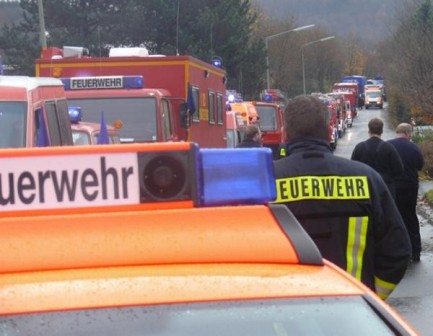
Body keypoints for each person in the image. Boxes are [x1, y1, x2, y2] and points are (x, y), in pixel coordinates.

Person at [273, 95, 411, 300]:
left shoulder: (264, 182)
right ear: (329, 132)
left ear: (284, 136)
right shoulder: (367, 179)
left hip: (285, 315)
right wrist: (371, 298)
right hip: (351, 313)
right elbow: (398, 250)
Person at [388, 123, 424, 262]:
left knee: (394, 217)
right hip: (410, 186)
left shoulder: (388, 146)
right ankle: (416, 251)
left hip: (393, 187)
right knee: (410, 216)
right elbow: (419, 165)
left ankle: (397, 251)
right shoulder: (413, 147)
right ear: (408, 133)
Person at [351, 118, 403, 198]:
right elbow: (399, 170)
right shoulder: (389, 148)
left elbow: (352, 169)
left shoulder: (360, 147)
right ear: (382, 131)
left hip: (365, 188)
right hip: (386, 187)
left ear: (369, 131)